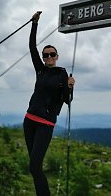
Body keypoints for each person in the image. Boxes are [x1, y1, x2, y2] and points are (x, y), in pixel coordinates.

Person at [23, 11, 75, 196]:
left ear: (57, 56)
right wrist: (34, 24)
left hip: (45, 124)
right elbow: (31, 47)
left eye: (52, 54)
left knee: (35, 165)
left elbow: (67, 100)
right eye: (46, 55)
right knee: (33, 167)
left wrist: (70, 87)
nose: (48, 57)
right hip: (29, 120)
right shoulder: (40, 70)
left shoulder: (62, 74)